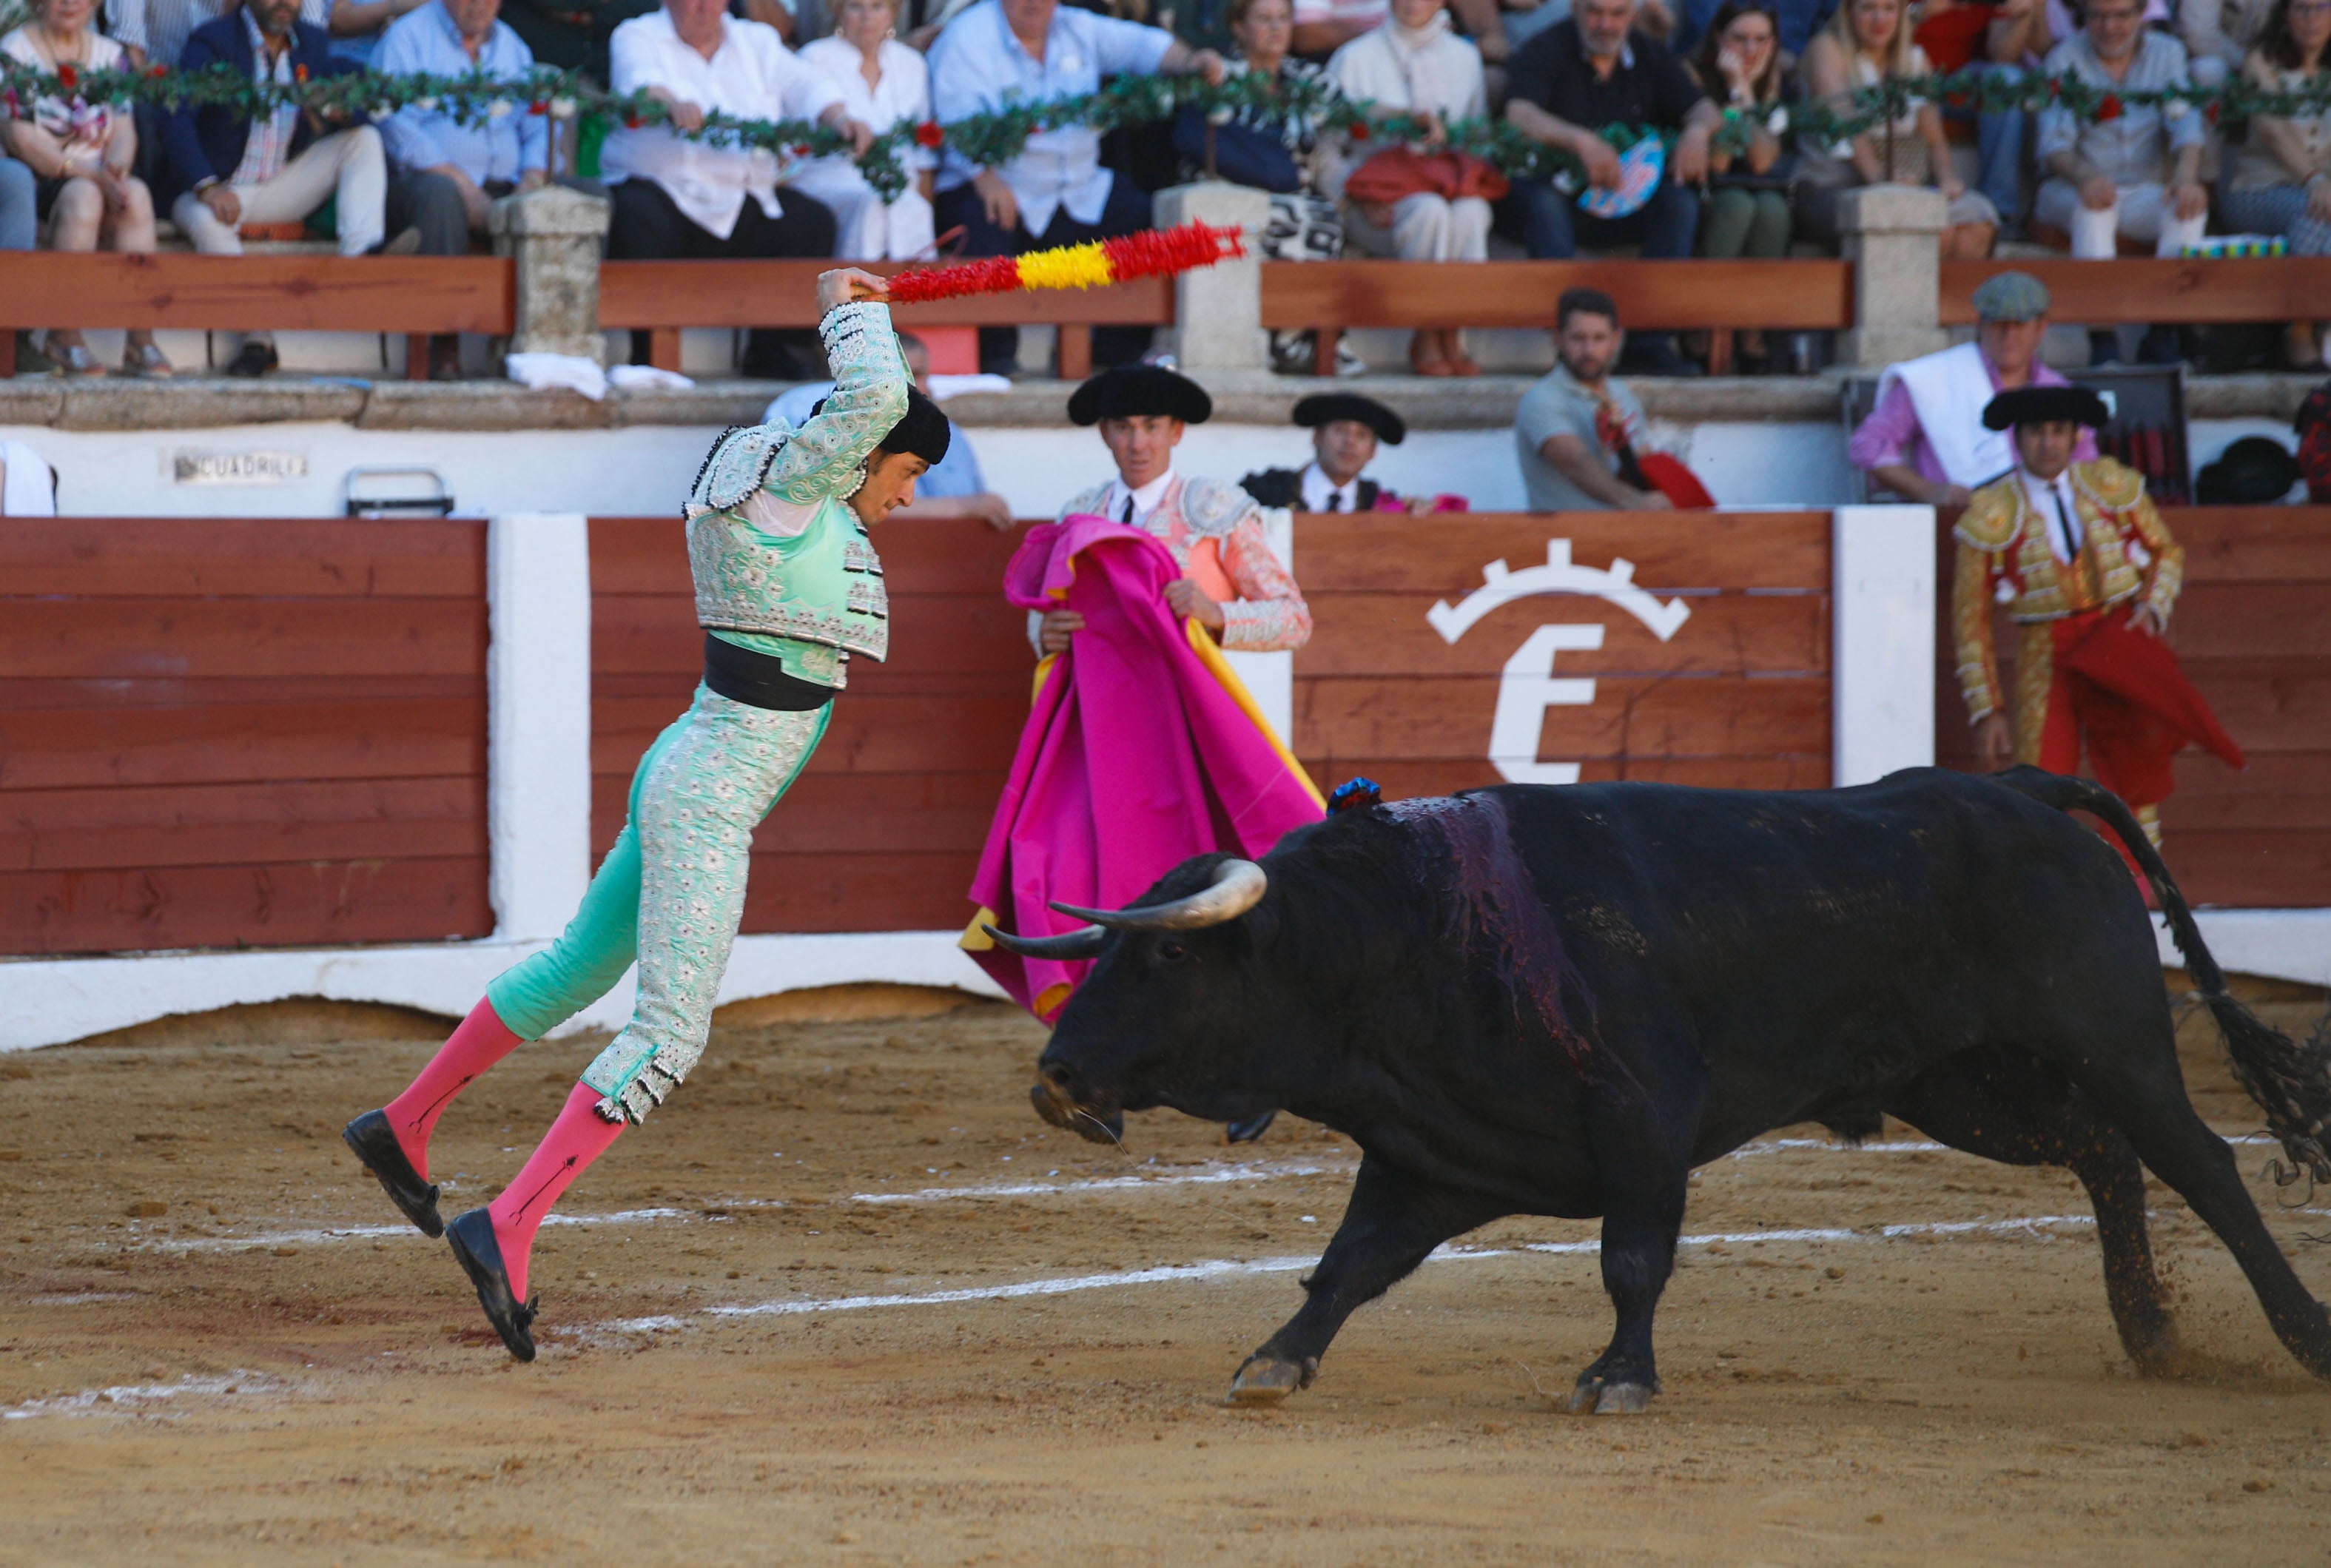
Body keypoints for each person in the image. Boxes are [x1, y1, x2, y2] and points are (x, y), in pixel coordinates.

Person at [342, 268, 952, 1361]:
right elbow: (867, 401)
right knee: (669, 1030)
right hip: (710, 792)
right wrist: (853, 306)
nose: (907, 498)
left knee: (580, 965)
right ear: (857, 451)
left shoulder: (773, 490)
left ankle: (406, 1122)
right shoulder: (787, 491)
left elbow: (870, 426)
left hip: (687, 759)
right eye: (905, 473)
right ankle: (510, 1219)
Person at [1040, 361, 1312, 1144]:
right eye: (1123, 427)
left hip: (1201, 740)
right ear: (1104, 432)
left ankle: (1258, 1070)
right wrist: (1046, 634)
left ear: (1176, 433)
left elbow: (1293, 617)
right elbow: (1060, 625)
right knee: (1115, 901)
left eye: (1151, 427)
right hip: (1115, 749)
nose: (1137, 442)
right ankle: (1102, 1082)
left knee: (1235, 914)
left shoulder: (1216, 511)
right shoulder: (1079, 515)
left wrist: (1217, 610)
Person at [1952, 383, 2238, 856]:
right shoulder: (1992, 512)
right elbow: (1969, 620)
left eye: (2059, 431)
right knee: (2039, 787)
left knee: (2134, 775)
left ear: (2073, 436)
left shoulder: (2110, 486)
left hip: (2114, 638)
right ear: (2018, 438)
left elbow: (2166, 551)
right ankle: (2049, 905)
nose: (2048, 443)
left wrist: (2151, 607)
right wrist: (1988, 708)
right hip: (2044, 654)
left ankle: (2139, 894)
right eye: (2036, 432)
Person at [926, 0, 1228, 376]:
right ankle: (996, 363)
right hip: (997, 183)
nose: (1034, 4)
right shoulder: (967, 37)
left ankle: (1113, 357)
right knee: (979, 219)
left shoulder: (1079, 27)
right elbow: (954, 124)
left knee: (1140, 217)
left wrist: (1192, 61)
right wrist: (984, 176)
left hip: (1080, 189)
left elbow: (1145, 46)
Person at [161, 0, 453, 377]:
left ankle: (361, 256)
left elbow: (356, 86)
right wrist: (207, 186)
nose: (286, 3)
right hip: (215, 190)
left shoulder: (310, 43)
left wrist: (344, 109)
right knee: (206, 223)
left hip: (278, 185)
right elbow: (176, 117)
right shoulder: (214, 40)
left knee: (361, 139)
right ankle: (258, 343)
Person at [603, 0, 873, 377]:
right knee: (633, 213)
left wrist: (840, 117)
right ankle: (649, 357)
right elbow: (640, 80)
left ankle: (775, 353)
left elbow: (805, 83)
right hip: (667, 196)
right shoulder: (636, 33)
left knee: (811, 223)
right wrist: (671, 102)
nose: (702, 8)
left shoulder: (756, 40)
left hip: (743, 198)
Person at [1503, 0, 1718, 377]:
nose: (1606, 23)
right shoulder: (1546, 47)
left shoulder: (1651, 53)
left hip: (1628, 200)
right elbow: (1519, 113)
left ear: (1633, 15)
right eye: (1595, 12)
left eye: (1618, 13)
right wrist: (1580, 142)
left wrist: (1697, 132)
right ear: (1574, 9)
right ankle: (1571, 347)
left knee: (1679, 204)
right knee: (1542, 203)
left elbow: (1703, 109)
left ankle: (1649, 346)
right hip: (1561, 197)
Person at [377, 0, 556, 378]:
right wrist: (463, 187)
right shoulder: (408, 38)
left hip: (504, 183)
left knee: (571, 198)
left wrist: (532, 180)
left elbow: (537, 125)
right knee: (440, 197)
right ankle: (443, 343)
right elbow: (396, 127)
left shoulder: (513, 47)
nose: (479, 5)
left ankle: (542, 344)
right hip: (423, 180)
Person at [1, 0, 172, 377]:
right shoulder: (15, 50)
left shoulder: (110, 55)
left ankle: (140, 339)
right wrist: (88, 174)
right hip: (45, 178)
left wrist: (116, 169)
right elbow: (20, 136)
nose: (69, 3)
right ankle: (65, 336)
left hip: (100, 171)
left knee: (138, 197)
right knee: (85, 198)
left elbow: (124, 130)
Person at [1324, 0, 1492, 375]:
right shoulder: (1354, 57)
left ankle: (1453, 333)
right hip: (1374, 207)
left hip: (1446, 190)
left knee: (1472, 212)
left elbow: (1476, 142)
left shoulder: (1465, 57)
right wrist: (1353, 196)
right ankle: (1426, 330)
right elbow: (1326, 149)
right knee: (1426, 210)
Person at [2035, 0, 2206, 363]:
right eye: (2098, 15)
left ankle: (2162, 332)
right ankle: (2103, 338)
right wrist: (2086, 176)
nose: (2109, 26)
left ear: (2141, 15)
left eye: (2121, 15)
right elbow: (2053, 146)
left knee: (2188, 207)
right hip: (2071, 187)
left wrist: (2185, 178)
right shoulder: (2063, 58)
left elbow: (2186, 125)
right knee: (2094, 208)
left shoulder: (2168, 53)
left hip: (2143, 189)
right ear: (2084, 17)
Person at [1849, 269, 2098, 508]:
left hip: (2040, 531)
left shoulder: (2060, 392)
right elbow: (1868, 446)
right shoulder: (1933, 378)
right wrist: (1929, 491)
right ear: (1981, 324)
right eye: (1998, 323)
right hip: (1953, 524)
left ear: (2041, 327)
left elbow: (2083, 468)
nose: (2008, 335)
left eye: (2020, 324)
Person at [1200, 0, 1352, 372]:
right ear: (1239, 27)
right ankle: (1284, 341)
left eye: (1284, 18)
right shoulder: (1220, 76)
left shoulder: (1311, 80)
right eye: (1264, 19)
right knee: (1301, 217)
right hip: (1228, 193)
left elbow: (1357, 118)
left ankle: (1292, 338)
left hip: (1300, 193)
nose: (1276, 28)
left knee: (1321, 215)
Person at [1792, 0, 1999, 261]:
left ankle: (1951, 302)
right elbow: (1847, 126)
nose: (1880, 19)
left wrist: (1947, 179)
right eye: (1868, 8)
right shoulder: (1827, 49)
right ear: (1848, 12)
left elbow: (1934, 137)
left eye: (1889, 9)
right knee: (1923, 229)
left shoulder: (1915, 59)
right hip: (1830, 186)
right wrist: (1882, 181)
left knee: (1977, 222)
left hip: (1903, 184)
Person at [762, 329, 1015, 526]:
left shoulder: (952, 436)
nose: (921, 387)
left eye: (923, 373)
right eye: (907, 374)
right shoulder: (809, 410)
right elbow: (830, 502)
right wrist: (961, 508)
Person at [2219, 0, 2331, 368]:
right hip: (2258, 190)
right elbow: (2273, 130)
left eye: (2321, 7)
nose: (2311, 18)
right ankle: (2298, 329)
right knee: (2313, 213)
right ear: (2285, 15)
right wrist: (2314, 180)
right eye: (2301, 8)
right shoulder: (2261, 63)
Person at [787, 0, 935, 260]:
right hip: (829, 177)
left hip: (897, 181)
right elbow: (796, 143)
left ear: (892, 14)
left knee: (914, 207)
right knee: (870, 204)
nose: (867, 16)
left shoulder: (912, 64)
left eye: (877, 7)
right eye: (856, 6)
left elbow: (922, 155)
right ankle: (856, 296)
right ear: (839, 12)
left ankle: (916, 295)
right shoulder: (814, 58)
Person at [1688, 1, 1790, 369]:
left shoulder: (1776, 81)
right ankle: (1702, 328)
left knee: (1773, 211)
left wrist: (1745, 92)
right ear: (1718, 38)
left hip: (1761, 189)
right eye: (1740, 39)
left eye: (1761, 40)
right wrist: (1734, 92)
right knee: (1736, 206)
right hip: (1702, 190)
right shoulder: (1693, 73)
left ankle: (1753, 336)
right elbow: (1718, 162)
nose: (1751, 50)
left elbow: (1762, 161)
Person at [1516, 286, 1673, 509]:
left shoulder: (1623, 395)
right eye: (1578, 338)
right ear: (1557, 338)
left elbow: (1641, 465)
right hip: (1563, 537)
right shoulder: (1541, 398)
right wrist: (1635, 503)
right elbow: (1574, 462)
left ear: (1616, 340)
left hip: (1621, 535)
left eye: (1599, 338)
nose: (1589, 350)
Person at [1239, 391, 1439, 511]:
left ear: (1372, 451)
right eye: (1340, 430)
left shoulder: (1379, 505)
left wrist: (1420, 513)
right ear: (1317, 438)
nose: (1350, 442)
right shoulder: (1263, 492)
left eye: (1361, 435)